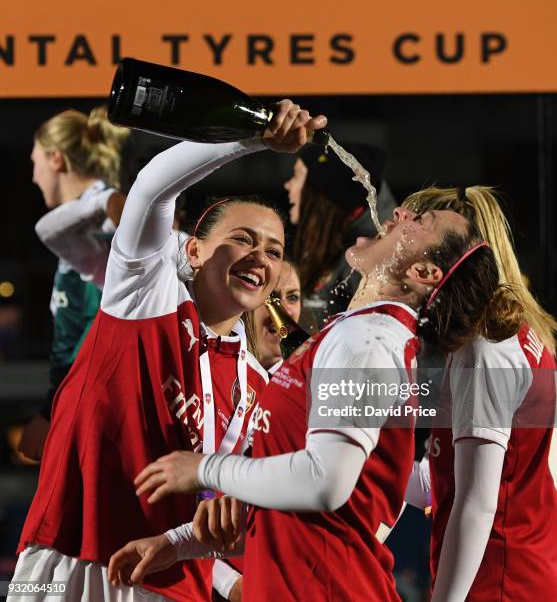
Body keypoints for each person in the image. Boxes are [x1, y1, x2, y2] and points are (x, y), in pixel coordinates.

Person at [108, 202, 518, 601]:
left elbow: (325, 483)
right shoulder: (359, 332)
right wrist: (178, 544)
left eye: (421, 219)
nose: (400, 213)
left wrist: (207, 468)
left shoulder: (370, 340)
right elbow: (309, 503)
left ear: (423, 272)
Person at [10, 100, 326, 601]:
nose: (258, 258)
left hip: (167, 584)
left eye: (273, 250)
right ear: (193, 251)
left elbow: (208, 513)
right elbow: (155, 185)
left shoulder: (260, 388)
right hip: (64, 556)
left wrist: (231, 581)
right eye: (242, 239)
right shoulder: (145, 292)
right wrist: (254, 136)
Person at [402, 186, 557, 601]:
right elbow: (464, 478)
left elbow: (478, 505)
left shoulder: (484, 348)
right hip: (521, 573)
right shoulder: (517, 334)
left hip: (499, 583)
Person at [18, 107, 130, 462]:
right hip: (84, 399)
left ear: (55, 160)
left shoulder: (107, 217)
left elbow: (102, 323)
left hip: (101, 404)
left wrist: (54, 409)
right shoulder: (80, 222)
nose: (34, 178)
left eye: (34, 163)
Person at [211, 258, 302, 602]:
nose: (283, 312)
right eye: (271, 297)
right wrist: (229, 584)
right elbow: (170, 502)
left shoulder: (306, 389)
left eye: (292, 297)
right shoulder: (207, 372)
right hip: (205, 583)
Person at [285, 141, 397, 328]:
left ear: (325, 195)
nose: (288, 185)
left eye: (297, 176)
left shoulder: (369, 260)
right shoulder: (339, 245)